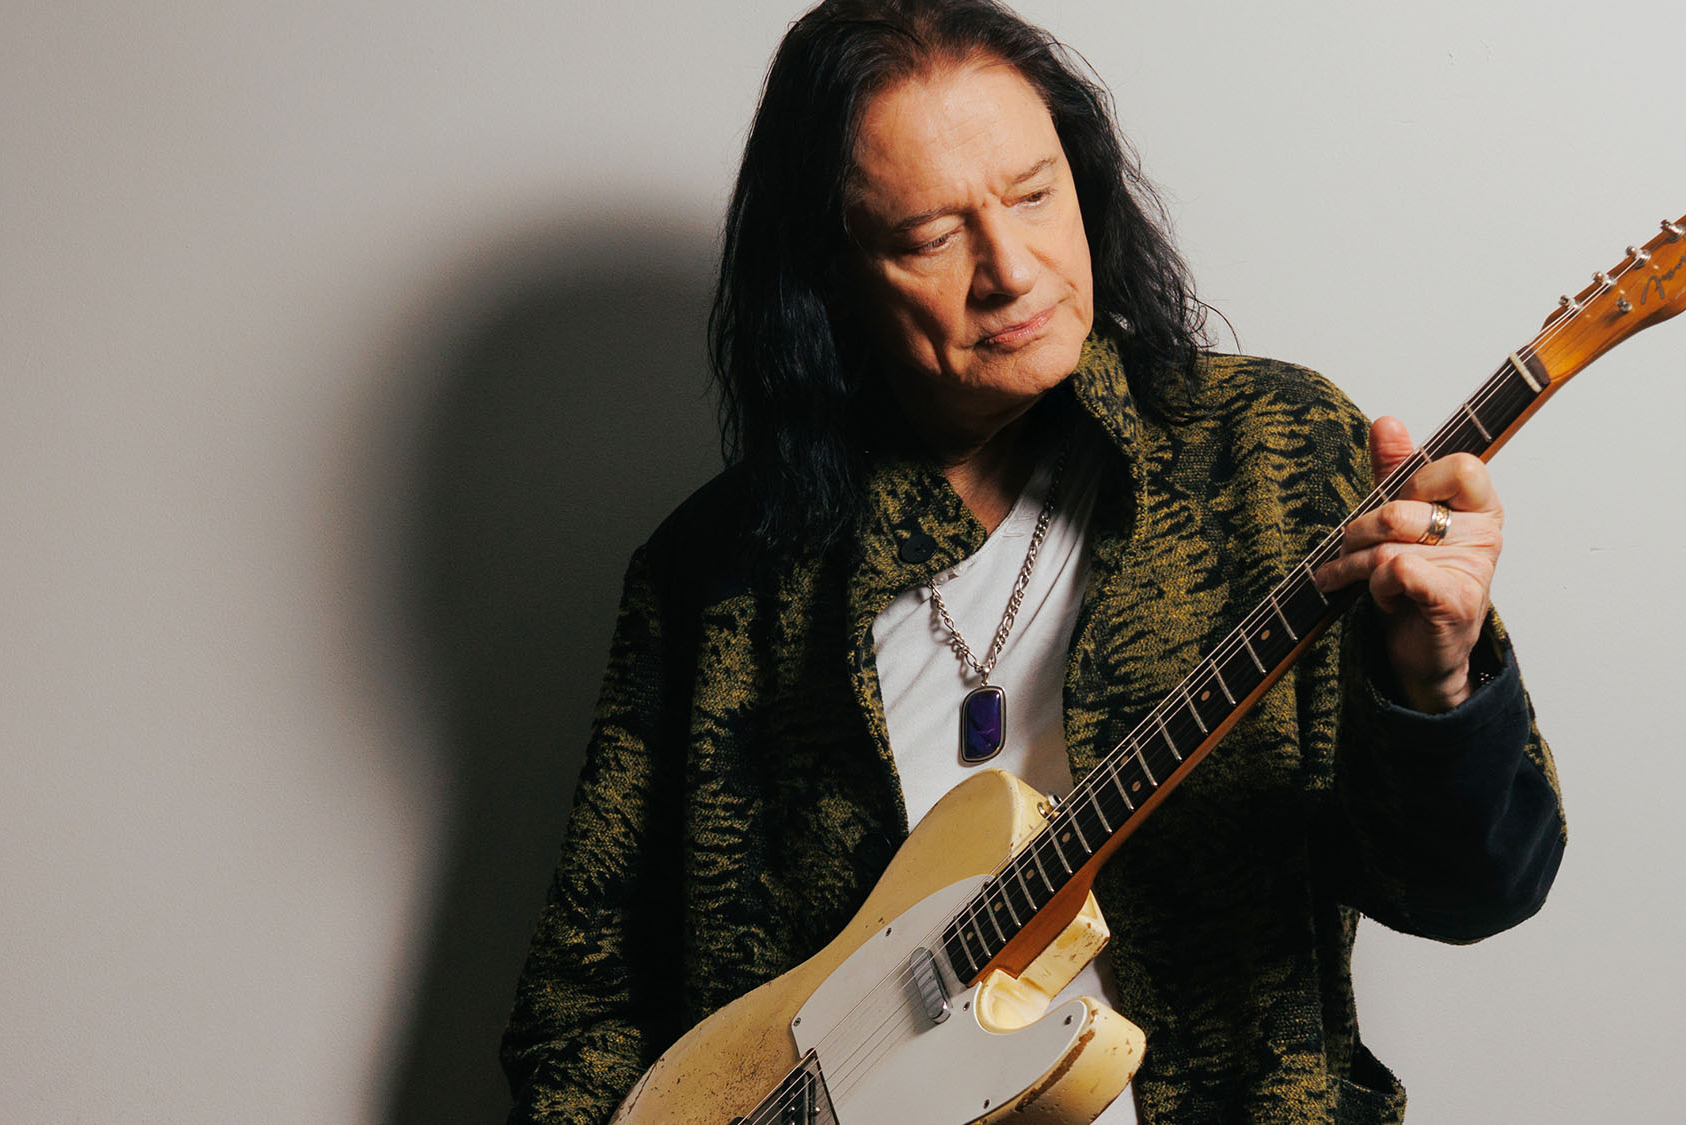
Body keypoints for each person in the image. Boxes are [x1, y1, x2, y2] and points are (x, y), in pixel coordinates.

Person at [501, 1, 1565, 1122]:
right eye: (929, 237)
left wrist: (1436, 680)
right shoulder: (716, 582)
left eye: (1033, 194)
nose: (1010, 269)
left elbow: (1477, 888)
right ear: (830, 277)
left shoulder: (1277, 458)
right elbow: (581, 1004)